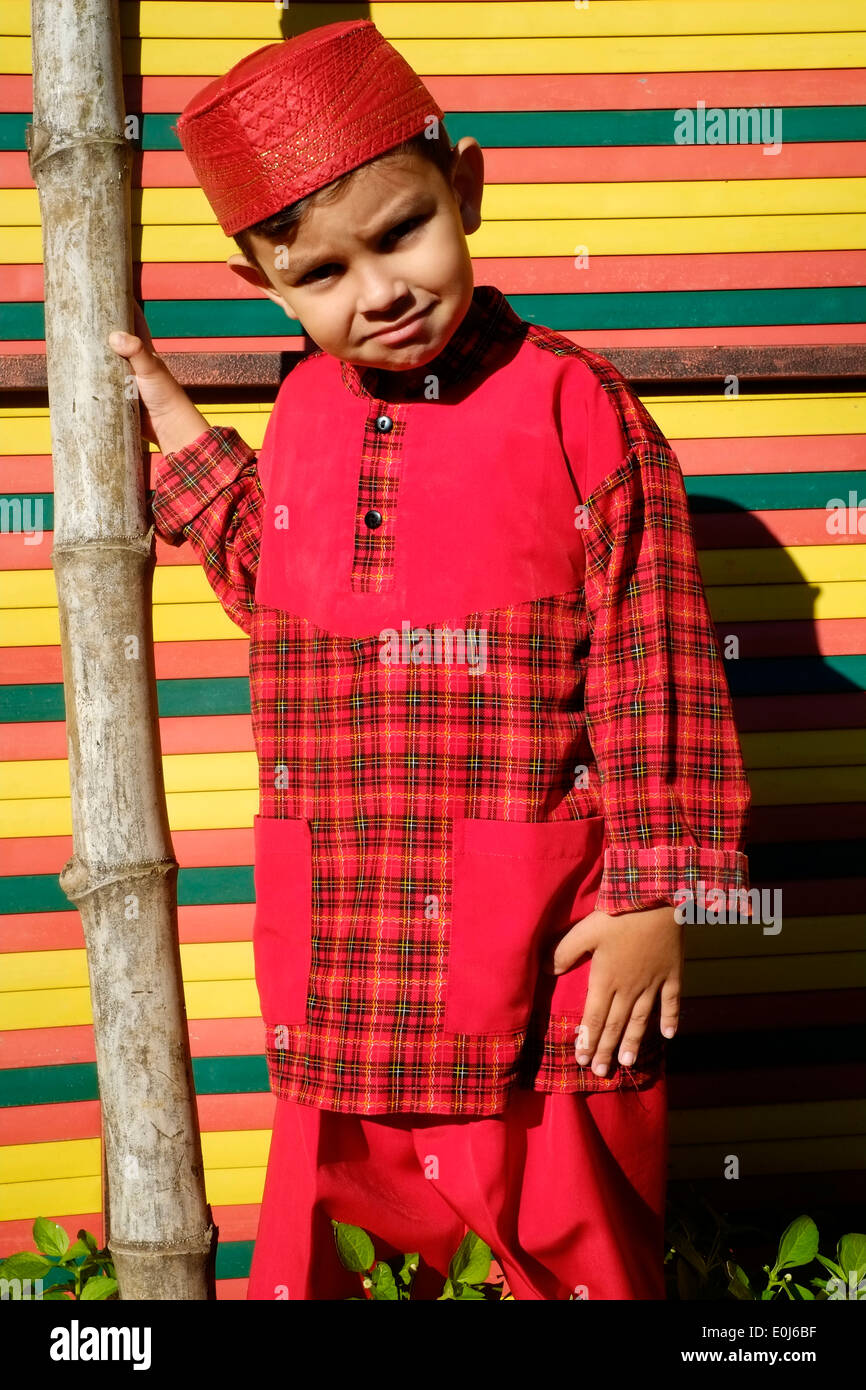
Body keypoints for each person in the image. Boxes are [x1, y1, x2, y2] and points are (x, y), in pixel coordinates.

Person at [108, 18, 751, 1300]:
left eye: (402, 232)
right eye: (323, 272)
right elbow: (273, 586)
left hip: (537, 937)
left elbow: (656, 657)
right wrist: (179, 432)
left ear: (463, 188)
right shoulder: (299, 409)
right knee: (335, 1239)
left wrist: (653, 892)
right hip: (344, 930)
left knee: (568, 1237)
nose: (379, 292)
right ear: (266, 287)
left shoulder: (575, 404)